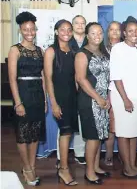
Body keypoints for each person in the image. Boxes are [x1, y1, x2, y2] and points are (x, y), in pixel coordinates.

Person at [8, 11, 46, 186]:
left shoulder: (40, 50)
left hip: (38, 95)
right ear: (20, 30)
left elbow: (43, 76)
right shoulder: (15, 49)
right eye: (26, 29)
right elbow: (12, 78)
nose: (29, 32)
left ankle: (32, 165)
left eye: (32, 29)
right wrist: (18, 102)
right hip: (23, 94)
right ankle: (26, 168)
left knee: (35, 133)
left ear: (36, 29)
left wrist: (45, 100)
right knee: (23, 134)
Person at [110, 16, 137, 179]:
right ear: (124, 33)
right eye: (130, 31)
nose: (134, 33)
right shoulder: (118, 48)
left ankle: (133, 165)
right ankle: (127, 168)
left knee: (135, 133)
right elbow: (116, 77)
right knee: (124, 133)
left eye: (136, 31)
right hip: (124, 98)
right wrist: (125, 99)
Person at [75, 22, 111, 185]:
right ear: (87, 36)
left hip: (103, 99)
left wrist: (107, 98)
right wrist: (97, 98)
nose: (97, 36)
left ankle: (96, 167)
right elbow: (81, 79)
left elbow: (108, 78)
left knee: (99, 136)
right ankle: (89, 173)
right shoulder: (82, 54)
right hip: (90, 100)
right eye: (93, 33)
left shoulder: (104, 52)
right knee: (92, 137)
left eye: (100, 33)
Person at [44, 19, 78, 186]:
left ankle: (62, 165)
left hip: (73, 97)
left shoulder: (73, 50)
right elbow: (48, 79)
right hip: (59, 97)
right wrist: (53, 103)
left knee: (69, 132)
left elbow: (77, 77)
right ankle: (64, 169)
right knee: (65, 132)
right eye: (62, 29)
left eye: (69, 29)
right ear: (56, 31)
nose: (66, 32)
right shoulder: (51, 51)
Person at [56, 15, 87, 166]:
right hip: (67, 88)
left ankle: (80, 153)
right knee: (64, 123)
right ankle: (59, 157)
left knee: (81, 121)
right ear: (72, 26)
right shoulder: (65, 42)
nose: (80, 25)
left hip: (85, 87)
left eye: (83, 23)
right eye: (77, 23)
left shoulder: (91, 40)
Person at [103, 21, 121, 167]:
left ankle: (123, 154)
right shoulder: (102, 49)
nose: (114, 32)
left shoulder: (126, 48)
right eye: (111, 29)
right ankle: (109, 154)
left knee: (124, 125)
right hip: (106, 91)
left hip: (125, 91)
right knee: (111, 125)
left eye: (117, 30)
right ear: (107, 32)